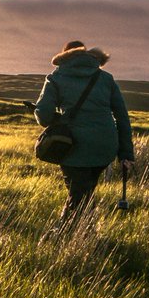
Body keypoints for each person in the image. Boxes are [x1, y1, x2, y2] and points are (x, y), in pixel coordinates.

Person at [33, 41, 135, 232]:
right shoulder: (105, 78)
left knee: (77, 194)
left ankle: (65, 235)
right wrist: (126, 154)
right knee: (84, 192)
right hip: (105, 147)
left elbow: (43, 117)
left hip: (72, 145)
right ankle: (82, 233)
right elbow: (122, 117)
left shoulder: (56, 77)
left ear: (65, 55)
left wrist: (54, 116)